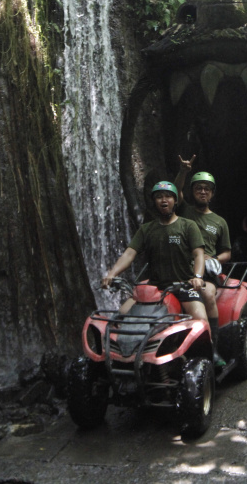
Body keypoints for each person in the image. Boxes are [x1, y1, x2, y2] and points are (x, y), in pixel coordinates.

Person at [101, 181, 208, 323]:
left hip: (185, 286)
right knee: (119, 318)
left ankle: (212, 344)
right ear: (154, 201)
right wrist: (112, 274)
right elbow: (129, 254)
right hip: (154, 288)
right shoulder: (146, 229)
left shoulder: (188, 226)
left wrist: (198, 277)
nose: (164, 200)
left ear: (175, 200)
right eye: (159, 197)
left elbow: (198, 254)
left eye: (168, 196)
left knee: (200, 319)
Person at [175, 155, 232, 366]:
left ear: (212, 194)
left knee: (208, 293)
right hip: (180, 266)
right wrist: (183, 172)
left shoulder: (219, 222)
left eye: (207, 189)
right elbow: (175, 192)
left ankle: (212, 348)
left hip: (206, 271)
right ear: (193, 192)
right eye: (198, 188)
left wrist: (213, 258)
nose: (202, 191)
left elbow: (227, 252)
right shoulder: (185, 211)